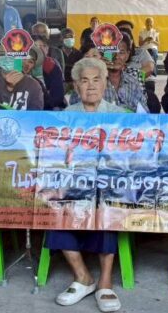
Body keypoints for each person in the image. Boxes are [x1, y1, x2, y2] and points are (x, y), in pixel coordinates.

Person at [44, 57, 124, 311]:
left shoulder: (119, 115)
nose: (90, 86)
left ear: (104, 84)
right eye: (84, 81)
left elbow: (126, 158)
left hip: (107, 181)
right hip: (74, 180)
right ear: (76, 87)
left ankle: (105, 281)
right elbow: (56, 156)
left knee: (106, 200)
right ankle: (82, 276)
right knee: (54, 203)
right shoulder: (66, 116)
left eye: (96, 80)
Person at [28, 37, 66, 110]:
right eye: (35, 46)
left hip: (49, 106)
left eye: (42, 46)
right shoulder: (21, 64)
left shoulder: (52, 66)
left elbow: (58, 95)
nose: (39, 49)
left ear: (47, 49)